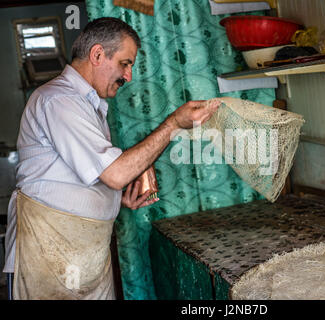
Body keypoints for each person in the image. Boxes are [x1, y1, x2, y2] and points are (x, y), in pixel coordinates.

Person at [2, 17, 218, 300]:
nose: (128, 76)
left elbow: (87, 178)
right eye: (125, 64)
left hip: (85, 254)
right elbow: (114, 174)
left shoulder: (89, 105)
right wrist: (174, 124)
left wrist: (116, 199)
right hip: (48, 254)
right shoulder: (59, 100)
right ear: (97, 54)